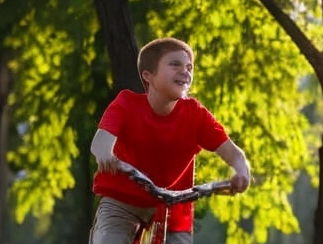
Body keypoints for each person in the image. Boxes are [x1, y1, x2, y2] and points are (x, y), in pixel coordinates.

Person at [88, 37, 251, 244]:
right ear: (148, 76)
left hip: (172, 208)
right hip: (122, 203)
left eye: (189, 67)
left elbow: (233, 153)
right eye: (175, 64)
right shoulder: (127, 104)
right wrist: (105, 154)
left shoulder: (195, 114)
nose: (185, 72)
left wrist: (241, 171)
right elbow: (101, 142)